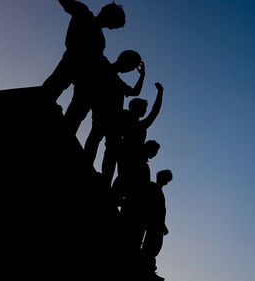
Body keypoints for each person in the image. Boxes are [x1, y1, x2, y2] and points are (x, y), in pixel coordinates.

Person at [41, 0, 125, 111]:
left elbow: (98, 59)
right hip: (71, 63)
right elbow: (67, 3)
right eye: (114, 24)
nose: (111, 28)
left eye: (114, 26)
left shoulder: (101, 40)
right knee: (50, 91)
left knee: (58, 94)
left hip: (81, 73)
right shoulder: (83, 13)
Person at [82, 50, 145, 185]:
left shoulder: (118, 81)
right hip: (102, 115)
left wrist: (142, 76)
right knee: (96, 140)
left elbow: (134, 91)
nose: (129, 71)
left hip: (115, 121)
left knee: (110, 151)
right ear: (125, 61)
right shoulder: (104, 68)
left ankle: (105, 181)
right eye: (131, 68)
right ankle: (85, 167)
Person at [141, 169, 173, 281]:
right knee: (151, 248)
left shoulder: (158, 190)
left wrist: (162, 225)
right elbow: (151, 208)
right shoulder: (152, 187)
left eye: (168, 180)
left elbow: (159, 211)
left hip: (157, 225)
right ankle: (147, 270)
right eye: (166, 179)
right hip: (153, 225)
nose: (167, 182)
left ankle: (149, 269)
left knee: (154, 247)